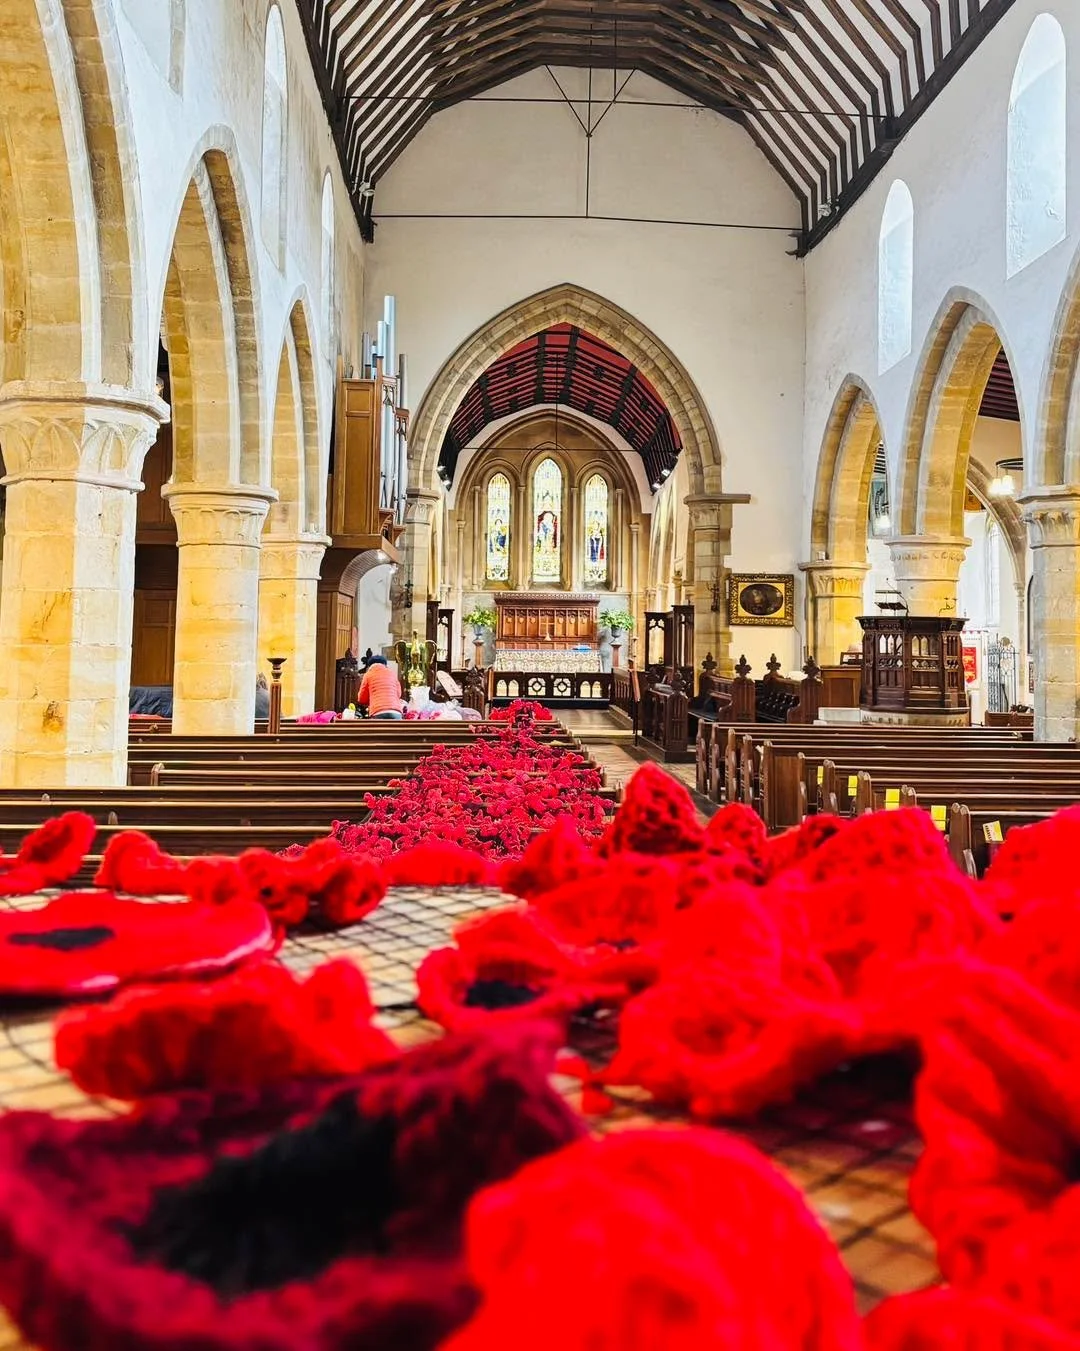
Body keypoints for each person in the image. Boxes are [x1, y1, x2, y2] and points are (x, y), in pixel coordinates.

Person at [357, 655, 404, 720]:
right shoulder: (392, 674)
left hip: (378, 711)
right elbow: (398, 694)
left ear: (369, 666)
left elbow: (361, 698)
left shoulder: (368, 675)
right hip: (396, 711)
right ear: (385, 664)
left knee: (378, 730)